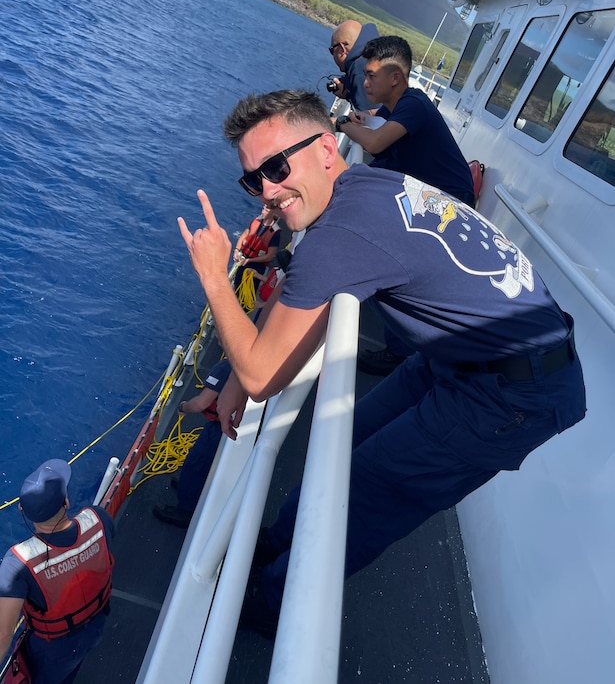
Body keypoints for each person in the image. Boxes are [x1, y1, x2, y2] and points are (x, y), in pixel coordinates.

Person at [177, 89, 586, 639]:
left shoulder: (343, 230)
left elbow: (262, 373)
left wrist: (212, 277)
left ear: (326, 147)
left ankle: (271, 606)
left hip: (513, 396)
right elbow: (298, 287)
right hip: (463, 358)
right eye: (254, 180)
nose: (268, 191)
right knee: (343, 445)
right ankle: (275, 544)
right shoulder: (365, 184)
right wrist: (230, 389)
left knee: (362, 495)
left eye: (276, 167)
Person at [336, 35, 476, 374]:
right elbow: (373, 121)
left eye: (371, 76)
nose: (365, 82)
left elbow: (374, 139)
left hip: (447, 206)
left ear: (395, 77)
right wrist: (360, 119)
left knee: (395, 263)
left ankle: (398, 351)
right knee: (359, 186)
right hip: (428, 194)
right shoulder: (396, 106)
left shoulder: (414, 103)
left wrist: (340, 125)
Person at [0, 459, 114, 684]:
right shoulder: (98, 517)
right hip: (96, 625)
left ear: (23, 510)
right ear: (66, 501)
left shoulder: (18, 562)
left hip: (52, 650)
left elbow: (3, 634)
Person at [153, 359, 232, 528]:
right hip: (228, 425)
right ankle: (189, 487)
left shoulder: (226, 367)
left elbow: (201, 403)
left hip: (219, 428)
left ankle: (186, 510)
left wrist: (183, 407)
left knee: (195, 465)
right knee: (205, 464)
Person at [328, 20, 380, 113]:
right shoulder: (379, 55)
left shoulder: (360, 69)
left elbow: (369, 120)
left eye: (332, 50)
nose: (333, 55)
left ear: (342, 49)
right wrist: (349, 94)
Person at [232, 204, 281, 296]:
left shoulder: (275, 232)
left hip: (257, 266)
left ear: (273, 212)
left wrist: (250, 260)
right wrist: (236, 249)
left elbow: (269, 256)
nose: (263, 212)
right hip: (244, 259)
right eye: (263, 209)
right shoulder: (256, 221)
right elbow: (245, 234)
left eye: (266, 210)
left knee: (247, 292)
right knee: (236, 285)